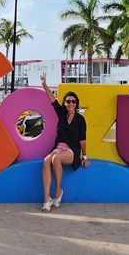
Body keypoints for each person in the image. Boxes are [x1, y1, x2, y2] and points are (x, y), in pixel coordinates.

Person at [39, 72, 89, 212]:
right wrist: (44, 84)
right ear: (65, 103)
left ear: (76, 103)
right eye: (68, 101)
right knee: (46, 161)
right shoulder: (61, 113)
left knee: (56, 158)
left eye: (73, 101)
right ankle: (47, 198)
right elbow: (52, 99)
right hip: (59, 147)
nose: (71, 104)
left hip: (72, 150)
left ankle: (58, 191)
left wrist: (85, 157)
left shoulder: (80, 119)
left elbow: (82, 139)